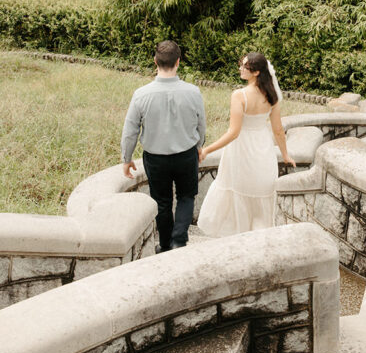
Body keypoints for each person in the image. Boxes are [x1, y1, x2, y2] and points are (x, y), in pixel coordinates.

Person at [197, 52, 295, 236]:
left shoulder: (239, 95)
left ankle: (236, 235)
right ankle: (258, 236)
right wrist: (285, 155)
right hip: (263, 149)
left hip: (241, 149)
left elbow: (233, 133)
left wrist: (207, 149)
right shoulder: (272, 95)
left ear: (256, 72)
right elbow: (278, 130)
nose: (240, 69)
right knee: (260, 191)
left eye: (244, 67)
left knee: (238, 189)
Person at [121, 40, 206, 252]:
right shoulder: (193, 92)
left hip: (156, 157)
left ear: (155, 61)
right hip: (186, 154)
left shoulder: (141, 94)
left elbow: (130, 130)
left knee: (162, 201)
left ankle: (167, 246)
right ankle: (179, 239)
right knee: (186, 197)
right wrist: (199, 146)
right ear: (178, 62)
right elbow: (201, 124)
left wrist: (127, 158)